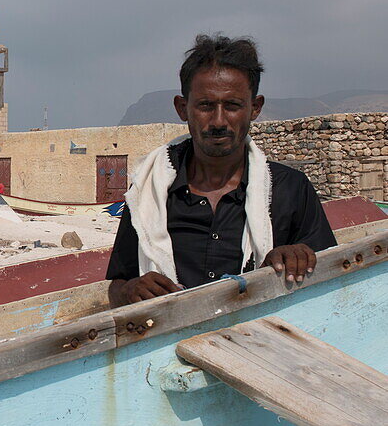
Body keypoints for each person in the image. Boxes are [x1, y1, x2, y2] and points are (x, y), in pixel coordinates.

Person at [107, 34, 336, 306]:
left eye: (232, 106)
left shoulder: (290, 188)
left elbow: (331, 280)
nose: (218, 121)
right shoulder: (148, 190)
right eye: (205, 106)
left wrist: (296, 256)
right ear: (183, 108)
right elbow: (119, 284)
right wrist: (130, 291)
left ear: (255, 108)